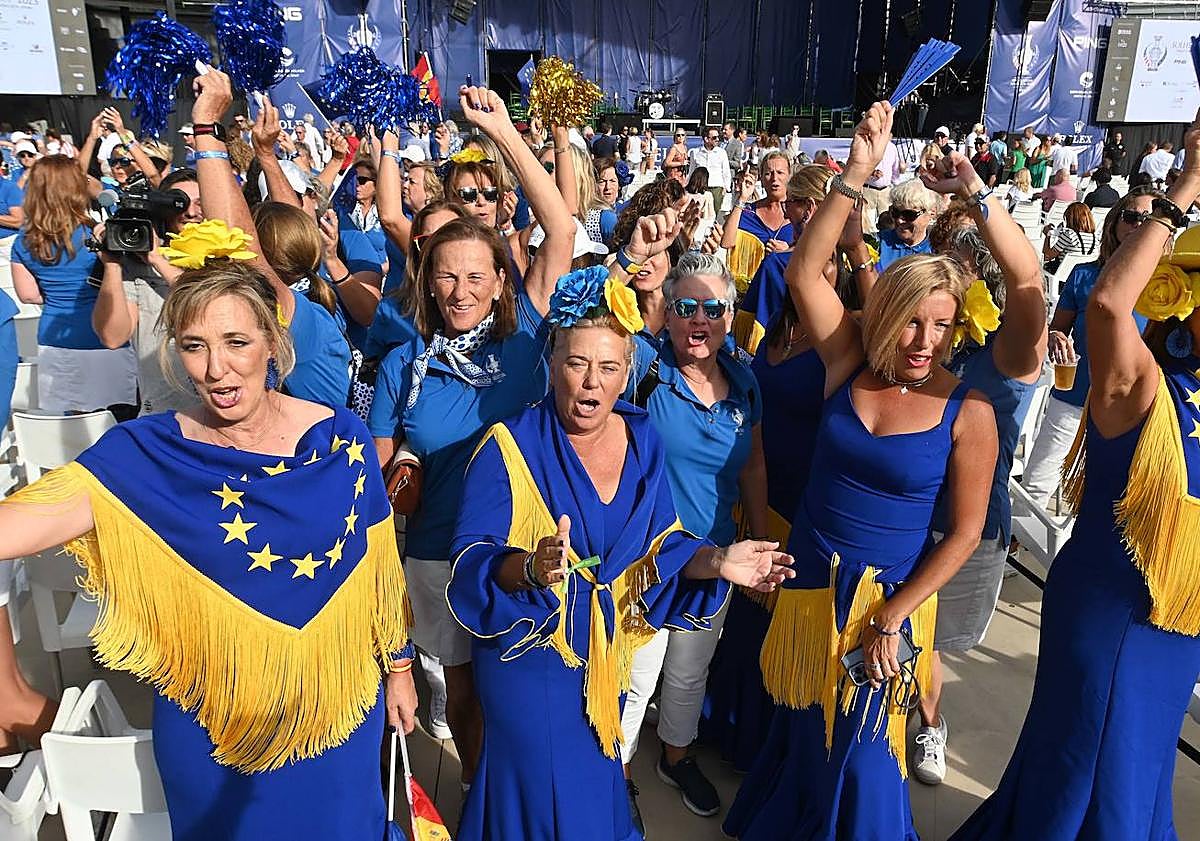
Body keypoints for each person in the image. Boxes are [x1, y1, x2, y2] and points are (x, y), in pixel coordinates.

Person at [0, 248, 417, 841]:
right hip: (214, 728)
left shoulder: (340, 438)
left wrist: (399, 669)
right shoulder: (148, 453)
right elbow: (28, 521)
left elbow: (380, 573)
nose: (217, 369)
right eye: (194, 346)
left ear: (273, 342)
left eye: (236, 343)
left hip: (338, 715)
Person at [723, 101, 998, 841]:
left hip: (886, 603)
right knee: (807, 730)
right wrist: (855, 172)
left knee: (869, 762)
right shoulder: (847, 360)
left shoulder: (967, 412)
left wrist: (898, 614)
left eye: (942, 324)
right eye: (914, 319)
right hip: (811, 578)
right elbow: (806, 266)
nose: (925, 339)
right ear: (886, 314)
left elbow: (966, 533)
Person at [447, 264, 793, 840]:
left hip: (604, 660)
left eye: (608, 367)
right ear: (552, 364)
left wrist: (719, 561)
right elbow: (472, 564)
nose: (591, 383)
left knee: (594, 781)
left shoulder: (641, 438)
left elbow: (664, 544)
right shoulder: (506, 447)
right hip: (529, 663)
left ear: (626, 369)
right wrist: (529, 566)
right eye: (577, 364)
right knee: (539, 793)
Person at [950, 110, 1200, 841]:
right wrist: (1188, 181)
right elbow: (1106, 304)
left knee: (1137, 771)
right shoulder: (1147, 385)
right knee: (1088, 772)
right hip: (1112, 613)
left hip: (1176, 627)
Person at [368, 85, 574, 790]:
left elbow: (562, 228)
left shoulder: (526, 341)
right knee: (461, 694)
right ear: (426, 280)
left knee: (522, 687)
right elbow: (374, 478)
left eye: (475, 276)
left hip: (522, 549)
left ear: (499, 282)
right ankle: (482, 793)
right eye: (446, 275)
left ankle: (527, 791)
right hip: (435, 555)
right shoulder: (403, 362)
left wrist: (507, 134)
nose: (460, 290)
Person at [618, 252, 767, 824]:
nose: (697, 320)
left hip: (719, 557)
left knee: (688, 670)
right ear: (668, 313)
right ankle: (621, 768)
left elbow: (753, 465)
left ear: (729, 316)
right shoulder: (644, 367)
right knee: (637, 672)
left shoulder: (745, 384)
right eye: (685, 307)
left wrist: (753, 540)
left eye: (712, 308)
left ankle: (676, 757)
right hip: (648, 559)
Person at [914, 150, 1048, 786]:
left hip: (972, 528)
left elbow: (1029, 284)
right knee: (909, 636)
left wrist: (975, 187)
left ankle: (930, 729)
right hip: (907, 515)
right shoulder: (928, 340)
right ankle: (913, 721)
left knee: (933, 639)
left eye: (966, 271)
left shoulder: (1012, 353)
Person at [1020, 189, 1158, 509]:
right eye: (1131, 217)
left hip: (1134, 410)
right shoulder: (1083, 275)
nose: (1138, 225)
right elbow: (1058, 328)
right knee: (1037, 484)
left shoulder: (1166, 286)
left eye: (1147, 220)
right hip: (1074, 394)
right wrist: (1056, 338)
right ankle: (1015, 542)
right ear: (1114, 224)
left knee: (1116, 498)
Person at [10, 155, 136, 415]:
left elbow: (29, 295)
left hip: (55, 340)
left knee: (67, 429)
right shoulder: (100, 233)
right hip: (107, 334)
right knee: (117, 424)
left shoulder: (24, 241)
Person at [92, 167, 204, 416]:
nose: (191, 212)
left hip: (218, 411)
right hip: (161, 413)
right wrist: (111, 265)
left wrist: (157, 260)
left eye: (199, 203)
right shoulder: (137, 262)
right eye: (180, 204)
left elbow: (205, 303)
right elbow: (113, 337)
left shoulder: (226, 253)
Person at [723, 152, 793, 252]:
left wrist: (788, 250)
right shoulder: (749, 212)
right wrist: (742, 198)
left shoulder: (799, 211)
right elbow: (726, 242)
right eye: (768, 173)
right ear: (761, 179)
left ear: (789, 176)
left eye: (780, 172)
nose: (774, 178)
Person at [877, 177, 938, 270]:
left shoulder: (938, 249)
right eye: (895, 212)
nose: (899, 221)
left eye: (909, 215)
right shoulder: (879, 242)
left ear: (931, 212)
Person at [1041, 201, 1097, 274]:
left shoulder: (1069, 235)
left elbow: (1047, 256)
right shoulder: (1095, 238)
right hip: (1084, 276)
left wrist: (1047, 235)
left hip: (1063, 276)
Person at [688, 127, 732, 215]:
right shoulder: (695, 153)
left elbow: (726, 172)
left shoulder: (722, 152)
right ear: (706, 139)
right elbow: (691, 171)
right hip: (700, 188)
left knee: (713, 215)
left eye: (718, 137)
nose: (718, 140)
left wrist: (726, 188)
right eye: (714, 137)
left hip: (716, 188)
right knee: (698, 213)